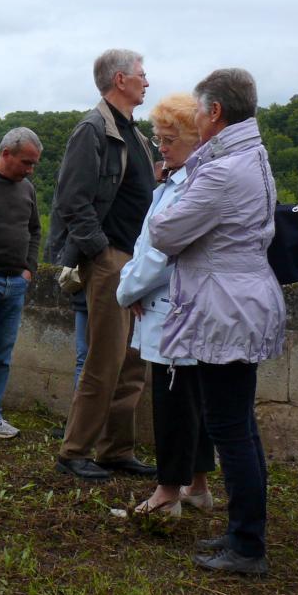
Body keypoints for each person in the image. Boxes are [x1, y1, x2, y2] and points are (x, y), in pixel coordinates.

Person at [150, 68, 286, 576]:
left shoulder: (222, 170)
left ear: (215, 112)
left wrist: (167, 208)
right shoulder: (253, 155)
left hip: (224, 306)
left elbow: (165, 232)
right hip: (243, 298)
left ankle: (247, 546)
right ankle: (243, 533)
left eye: (199, 109)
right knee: (239, 425)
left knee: (230, 428)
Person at [49, 48, 157, 481]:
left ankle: (115, 450)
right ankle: (74, 451)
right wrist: (100, 253)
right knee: (105, 359)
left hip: (137, 260)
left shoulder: (135, 133)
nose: (147, 82)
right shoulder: (93, 129)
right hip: (112, 258)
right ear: (120, 79)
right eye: (141, 75)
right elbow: (72, 201)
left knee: (132, 361)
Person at [116, 93, 214, 517]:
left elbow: (158, 254)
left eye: (170, 139)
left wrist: (126, 290)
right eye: (159, 138)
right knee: (193, 401)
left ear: (196, 139)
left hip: (173, 308)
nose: (162, 147)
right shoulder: (179, 182)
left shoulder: (189, 186)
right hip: (179, 306)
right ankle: (197, 486)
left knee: (174, 404)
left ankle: (167, 493)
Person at [0, 127, 42, 439]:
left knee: (0, 354)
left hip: (16, 283)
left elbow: (34, 230)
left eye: (33, 164)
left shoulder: (27, 189)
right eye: (26, 162)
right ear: (5, 154)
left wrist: (29, 269)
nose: (30, 170)